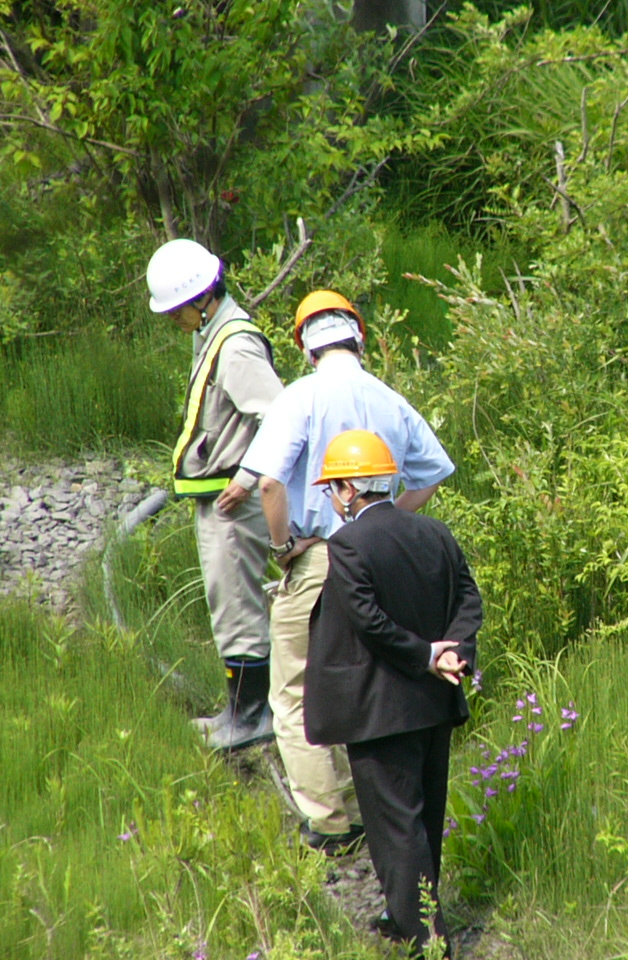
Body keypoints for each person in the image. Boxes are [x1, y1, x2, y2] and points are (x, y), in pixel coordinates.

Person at [226, 290, 455, 853]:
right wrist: (384, 522)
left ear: (305, 348)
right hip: (380, 557)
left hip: (320, 557)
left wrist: (284, 547)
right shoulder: (390, 399)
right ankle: (370, 810)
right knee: (365, 680)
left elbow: (270, 483)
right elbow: (433, 472)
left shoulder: (300, 396)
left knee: (295, 691)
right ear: (360, 338)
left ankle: (331, 822)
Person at [305, 429, 480, 958]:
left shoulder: (348, 544)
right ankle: (407, 917)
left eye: (331, 488)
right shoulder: (435, 531)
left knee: (396, 828)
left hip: (380, 712)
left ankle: (427, 942)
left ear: (350, 489)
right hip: (435, 704)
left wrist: (426, 654)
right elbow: (468, 599)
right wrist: (454, 653)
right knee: (424, 822)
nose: (331, 498)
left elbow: (369, 621)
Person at [146, 238, 284, 751]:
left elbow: (279, 418)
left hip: (234, 500)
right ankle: (239, 710)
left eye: (175, 312)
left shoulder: (236, 344)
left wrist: (248, 476)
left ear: (201, 298)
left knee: (237, 607)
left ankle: (251, 718)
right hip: (220, 496)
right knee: (228, 603)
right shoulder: (213, 333)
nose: (173, 321)